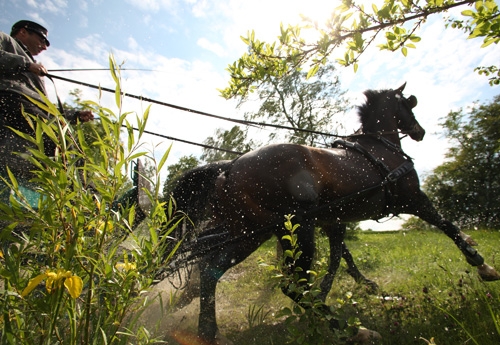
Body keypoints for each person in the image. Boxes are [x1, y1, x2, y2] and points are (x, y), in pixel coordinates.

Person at [0, 20, 93, 203]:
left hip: (28, 108)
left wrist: (73, 115)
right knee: (63, 139)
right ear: (23, 32)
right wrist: (25, 64)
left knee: (70, 143)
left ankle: (79, 196)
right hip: (10, 100)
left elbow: (44, 108)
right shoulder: (5, 40)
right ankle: (82, 199)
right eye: (42, 40)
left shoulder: (33, 66)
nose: (44, 47)